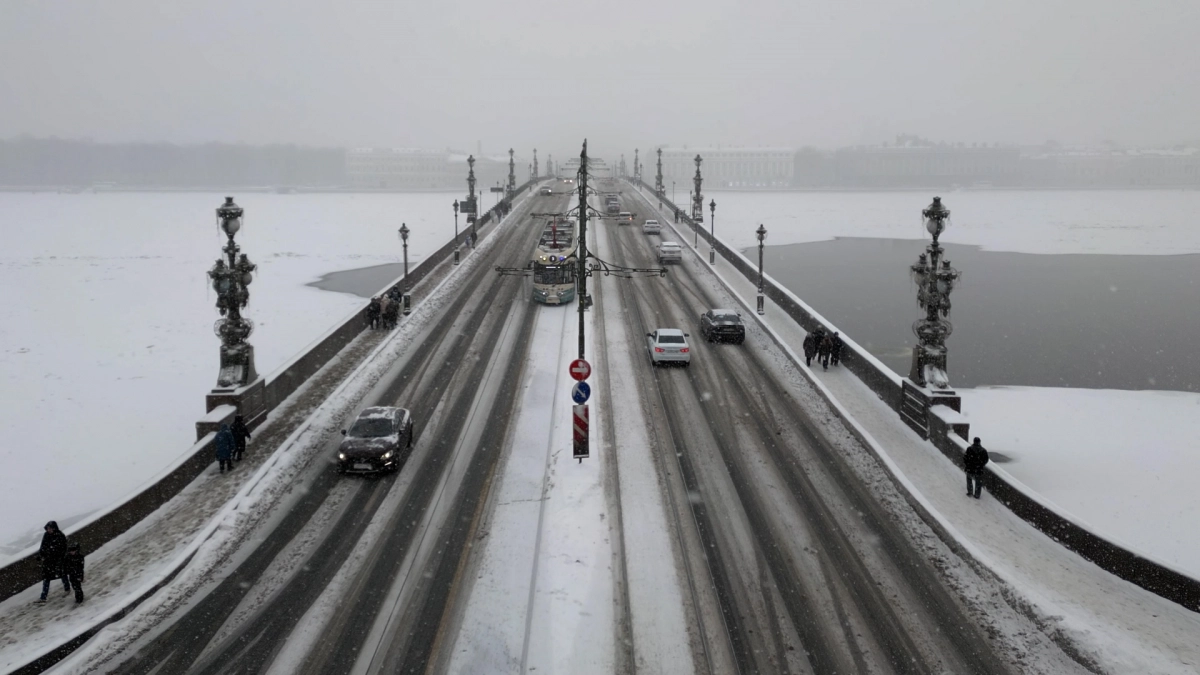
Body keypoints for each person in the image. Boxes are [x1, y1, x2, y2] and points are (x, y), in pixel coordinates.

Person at [36, 521, 69, 603]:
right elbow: (43, 546)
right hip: (48, 561)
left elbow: (63, 549)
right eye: (47, 529)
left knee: (62, 574)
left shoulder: (60, 536)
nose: (49, 530)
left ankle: (67, 588)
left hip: (58, 560)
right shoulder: (46, 535)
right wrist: (40, 555)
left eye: (50, 528)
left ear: (54, 528)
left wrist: (60, 559)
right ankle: (43, 597)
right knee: (46, 578)